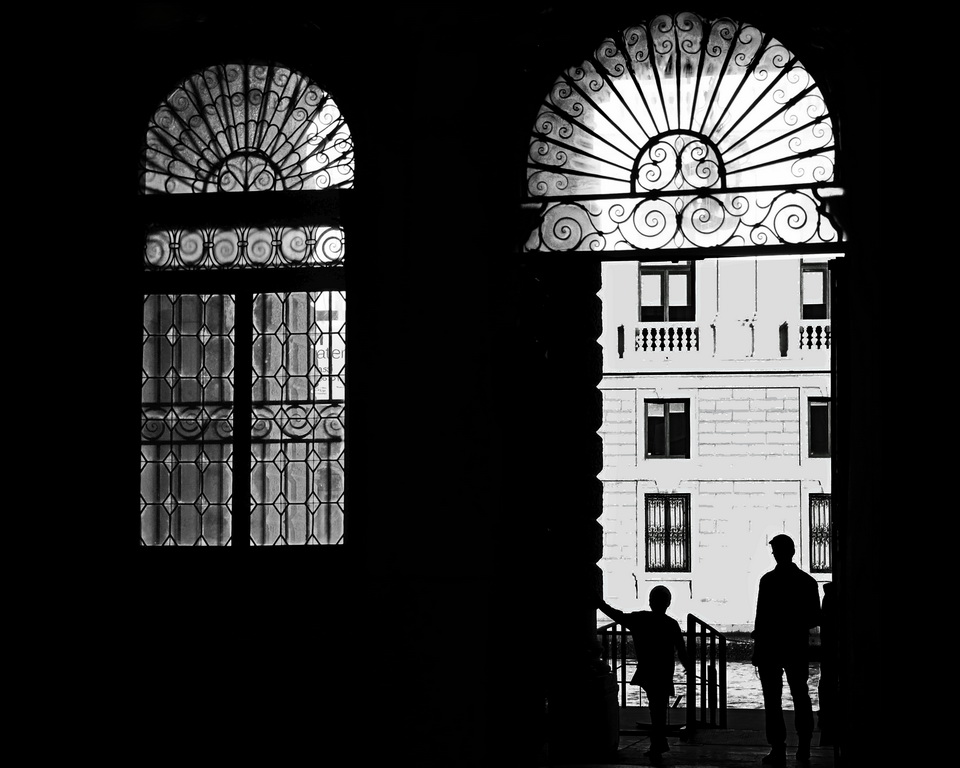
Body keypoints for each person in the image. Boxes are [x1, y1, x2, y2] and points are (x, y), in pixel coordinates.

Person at [597, 586, 689, 763]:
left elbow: (618, 615)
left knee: (655, 707)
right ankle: (658, 743)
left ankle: (658, 743)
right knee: (659, 708)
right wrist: (688, 668)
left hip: (648, 670)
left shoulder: (640, 619)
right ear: (668, 603)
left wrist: (600, 603)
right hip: (664, 671)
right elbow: (682, 650)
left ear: (650, 601)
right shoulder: (672, 624)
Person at [751, 534, 822, 766]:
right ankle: (804, 747)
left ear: (778, 553)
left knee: (772, 700)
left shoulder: (768, 581)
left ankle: (778, 749)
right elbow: (814, 618)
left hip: (771, 646)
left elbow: (761, 620)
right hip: (795, 646)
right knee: (800, 695)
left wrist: (757, 649)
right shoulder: (808, 582)